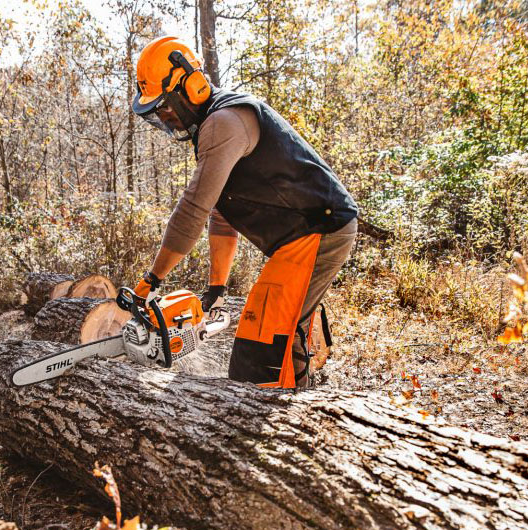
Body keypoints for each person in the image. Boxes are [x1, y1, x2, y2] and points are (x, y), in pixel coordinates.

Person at [129, 36, 359, 388]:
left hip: (318, 229)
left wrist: (152, 280)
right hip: (304, 236)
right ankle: (305, 375)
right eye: (158, 114)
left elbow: (193, 209)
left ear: (190, 87)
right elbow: (222, 215)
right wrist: (217, 286)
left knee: (258, 358)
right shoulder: (214, 127)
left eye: (167, 109)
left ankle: (292, 409)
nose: (167, 119)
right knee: (273, 324)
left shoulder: (224, 121)